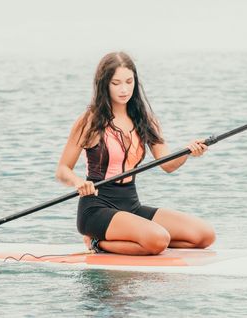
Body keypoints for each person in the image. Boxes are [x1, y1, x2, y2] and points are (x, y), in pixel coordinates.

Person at [56, 52, 216, 255]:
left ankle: (142, 237)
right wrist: (78, 182)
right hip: (97, 208)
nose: (124, 89)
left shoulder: (145, 119)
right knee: (158, 240)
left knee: (204, 235)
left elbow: (167, 165)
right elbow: (62, 169)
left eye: (129, 82)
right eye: (116, 83)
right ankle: (96, 242)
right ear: (104, 84)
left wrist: (188, 151)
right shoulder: (90, 121)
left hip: (131, 205)